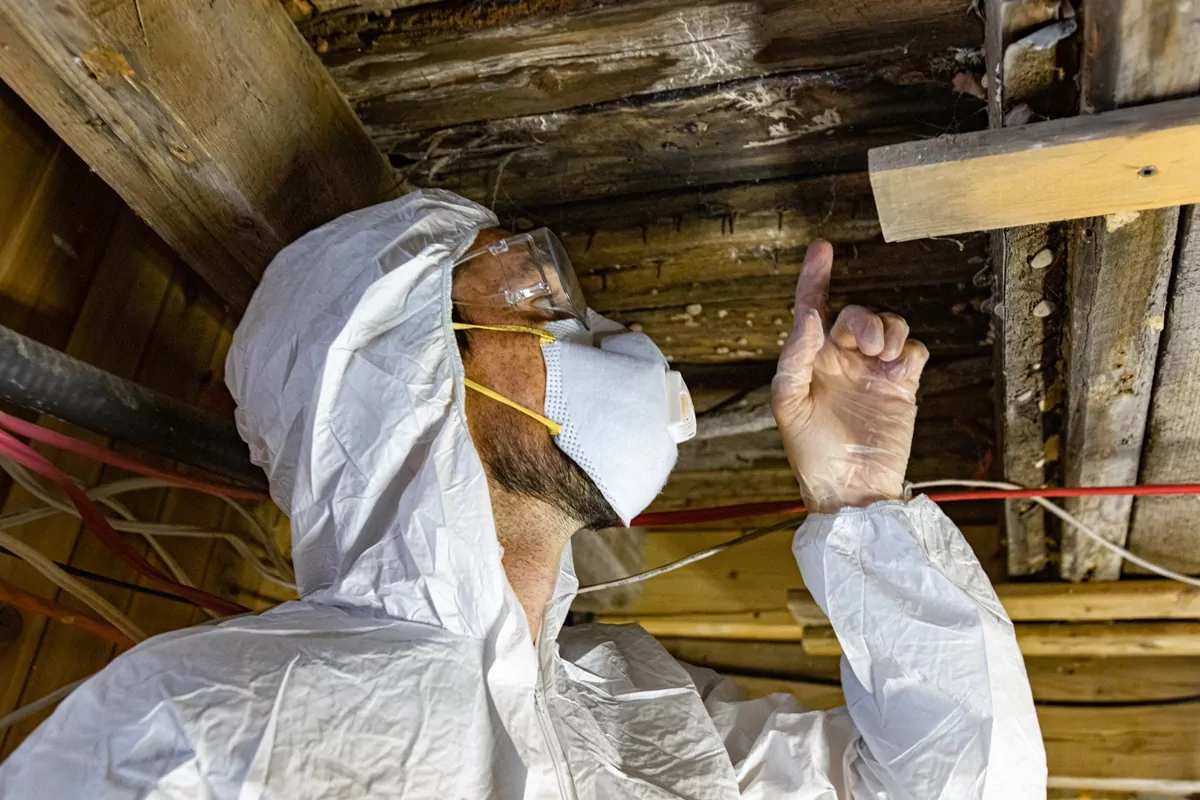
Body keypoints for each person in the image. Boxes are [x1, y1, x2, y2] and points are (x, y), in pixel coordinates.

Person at [0, 190, 1045, 798]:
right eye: (545, 302)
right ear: (408, 367)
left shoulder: (636, 710)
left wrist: (861, 501)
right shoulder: (197, 723)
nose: (612, 339)